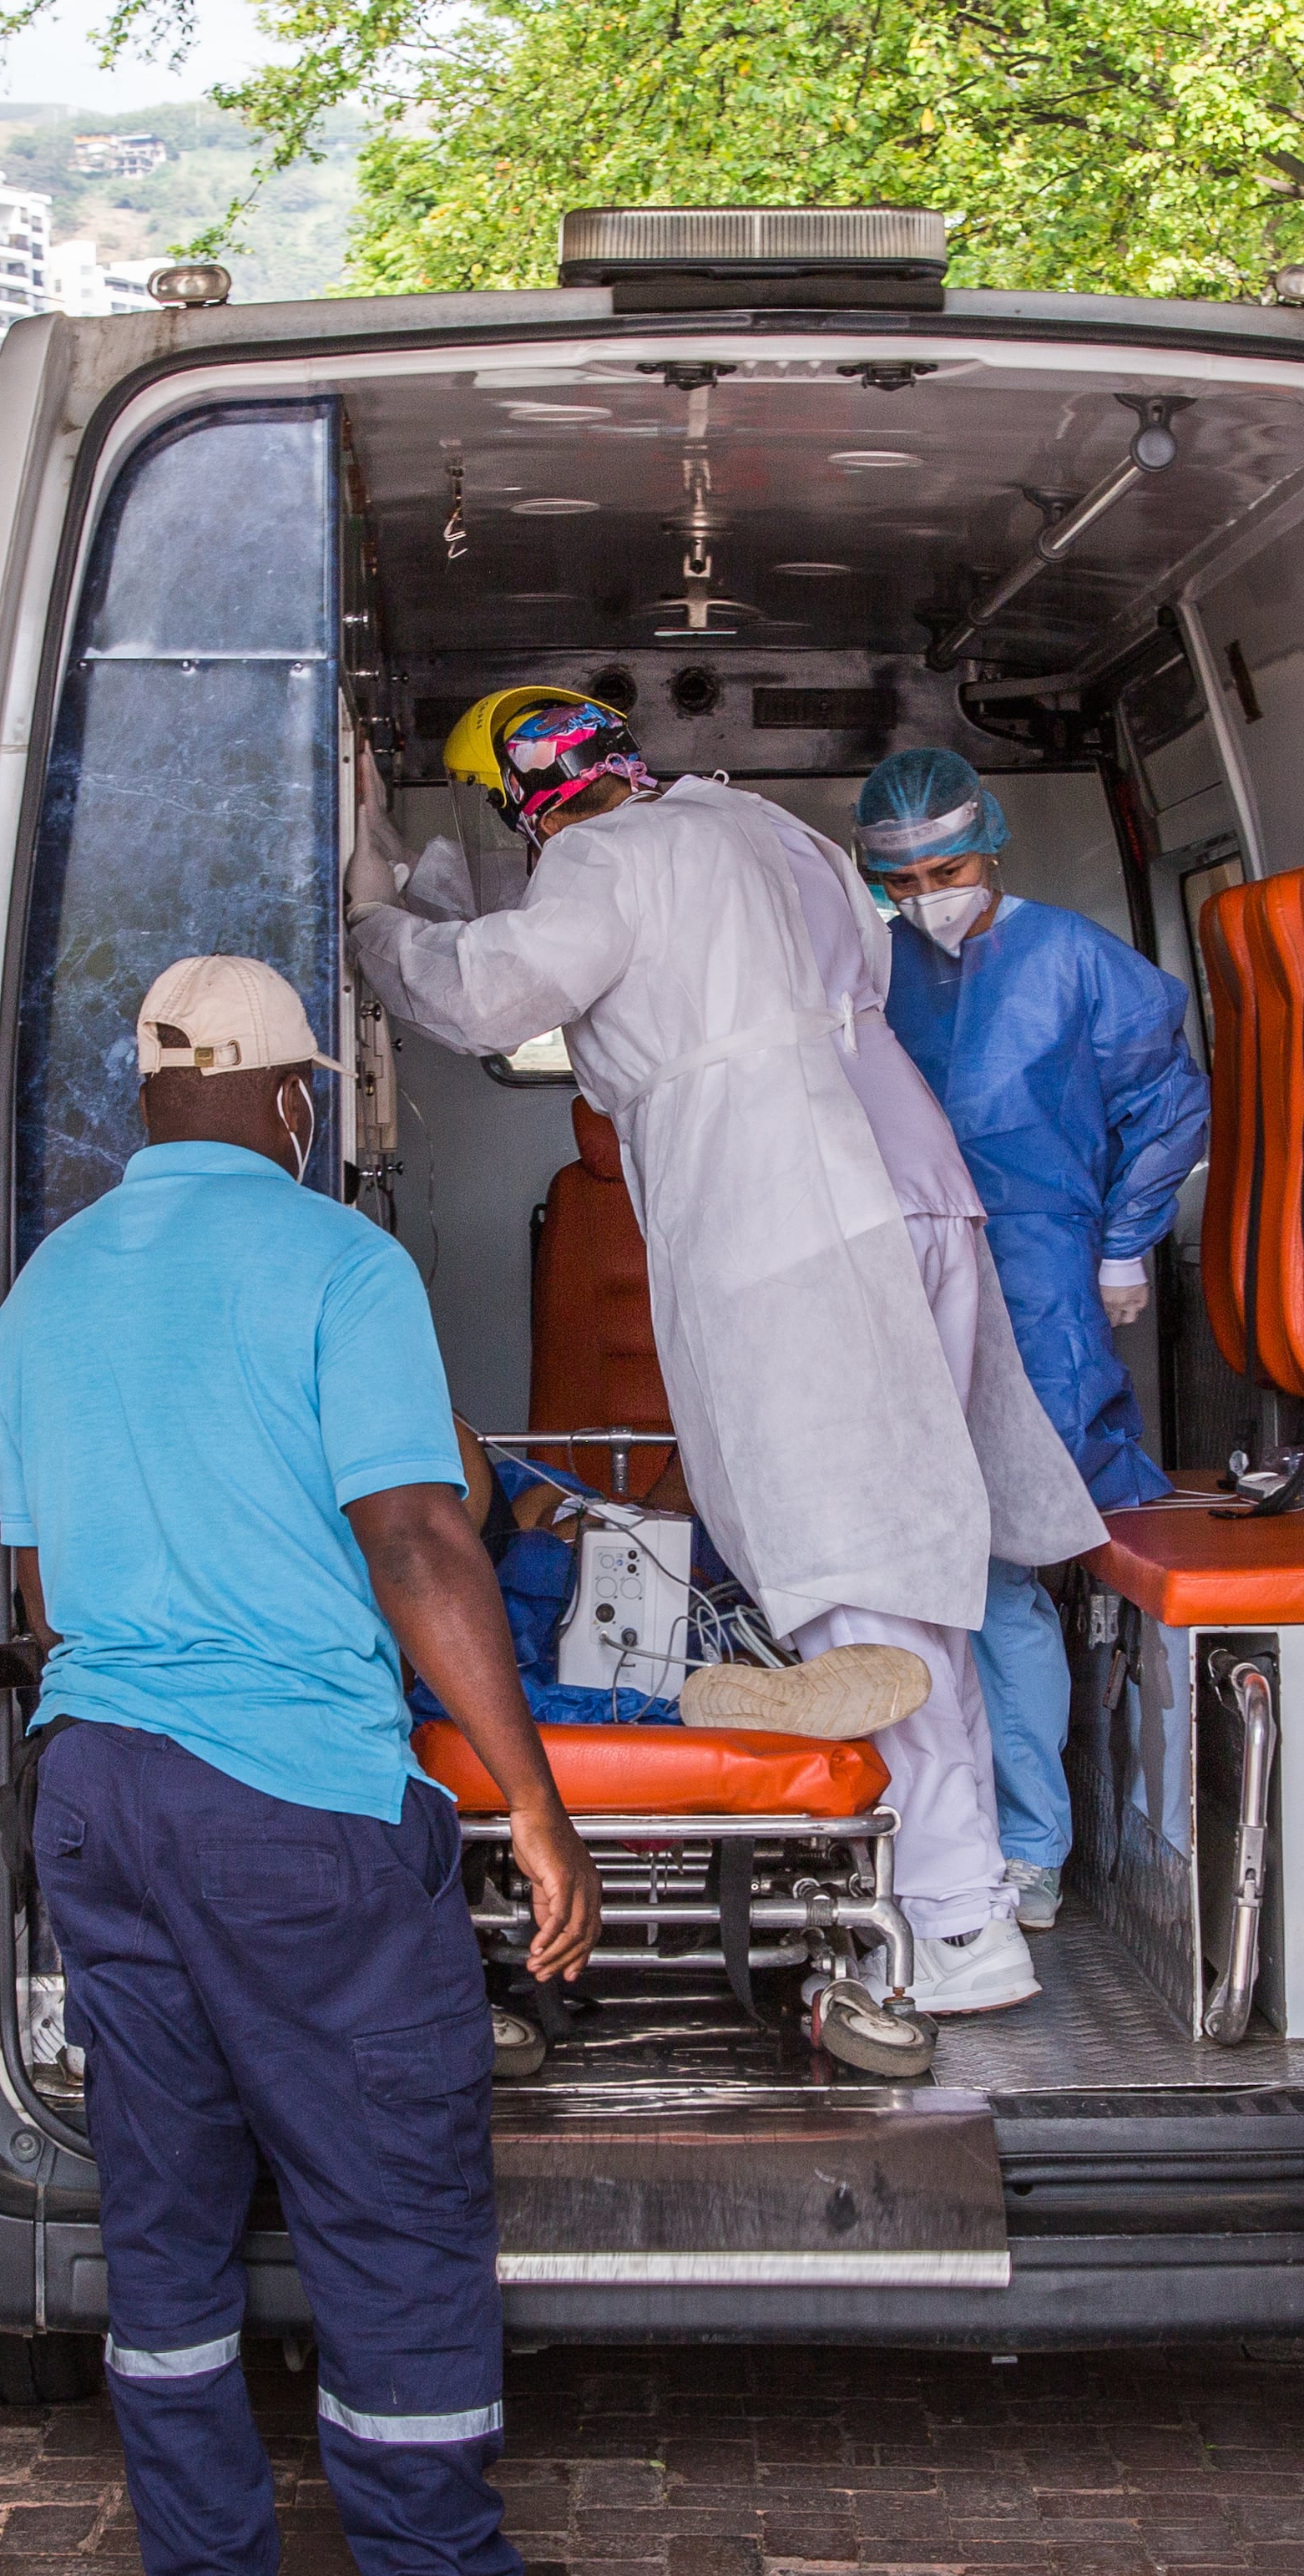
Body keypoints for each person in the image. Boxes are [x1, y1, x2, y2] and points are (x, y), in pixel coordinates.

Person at [0, 954, 604, 2576]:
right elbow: (418, 1534)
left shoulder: (44, 1289)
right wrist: (533, 1799)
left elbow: (44, 1590)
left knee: (169, 2211)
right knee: (388, 2191)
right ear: (288, 1101)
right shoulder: (341, 1262)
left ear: (146, 1098)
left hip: (98, 1792)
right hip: (296, 1804)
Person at [345, 690, 1104, 2015]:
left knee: (859, 1565)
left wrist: (374, 928)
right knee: (922, 1555)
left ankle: (955, 1919)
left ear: (535, 798)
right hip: (906, 1180)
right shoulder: (755, 826)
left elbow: (489, 991)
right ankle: (966, 1881)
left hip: (789, 1209)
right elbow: (817, 972)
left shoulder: (606, 856)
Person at [864, 748, 1208, 1931]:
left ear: (992, 846)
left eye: (947, 871)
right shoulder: (873, 968)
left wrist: (1125, 1243)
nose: (928, 899)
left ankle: (1030, 1845)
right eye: (903, 882)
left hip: (1040, 1278)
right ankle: (938, 1830)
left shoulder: (1073, 960)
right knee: (916, 1566)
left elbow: (1167, 1102)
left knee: (1006, 1564)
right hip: (906, 1277)